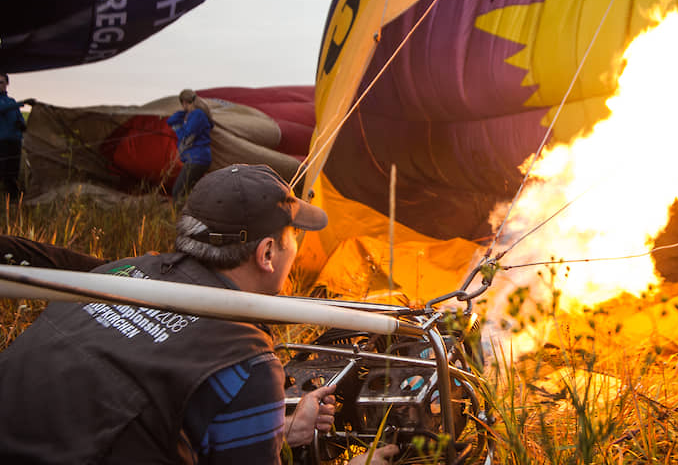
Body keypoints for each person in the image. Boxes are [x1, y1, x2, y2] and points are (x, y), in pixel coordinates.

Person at [0, 163, 399, 465]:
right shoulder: (245, 362)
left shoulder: (114, 275)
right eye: (294, 236)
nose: (296, 247)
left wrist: (281, 430)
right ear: (266, 254)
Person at [167, 88, 214, 203]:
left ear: (184, 102)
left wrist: (178, 128)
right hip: (197, 159)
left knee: (178, 192)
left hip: (196, 159)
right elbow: (171, 121)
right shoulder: (193, 115)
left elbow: (187, 135)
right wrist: (184, 112)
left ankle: (179, 219)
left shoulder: (198, 115)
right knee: (188, 192)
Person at [0, 72, 26, 197]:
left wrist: (21, 124)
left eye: (1, 82)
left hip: (15, 141)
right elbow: (2, 108)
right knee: (3, 170)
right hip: (1, 142)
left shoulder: (11, 101)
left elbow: (19, 118)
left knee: (13, 171)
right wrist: (21, 103)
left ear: (7, 84)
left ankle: (13, 198)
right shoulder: (11, 103)